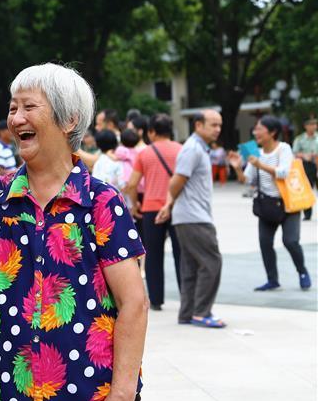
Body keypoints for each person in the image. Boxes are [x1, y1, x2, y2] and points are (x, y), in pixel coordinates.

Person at [0, 64, 147, 401]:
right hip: (14, 398)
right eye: (12, 108)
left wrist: (121, 398)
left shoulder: (101, 200)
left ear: (68, 119)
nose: (16, 119)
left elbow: (134, 304)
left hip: (95, 396)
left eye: (29, 107)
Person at [156, 110, 225, 328]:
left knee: (191, 266)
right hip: (194, 217)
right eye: (213, 124)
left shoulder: (199, 149)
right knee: (212, 262)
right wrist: (169, 204)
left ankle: (187, 313)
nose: (217, 129)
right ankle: (201, 312)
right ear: (198, 125)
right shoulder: (193, 149)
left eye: (219, 125)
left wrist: (170, 206)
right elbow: (177, 180)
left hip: (188, 216)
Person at [227, 117, 312, 291]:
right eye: (255, 129)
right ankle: (272, 279)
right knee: (265, 243)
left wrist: (260, 164)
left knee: (290, 241)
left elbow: (283, 172)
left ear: (272, 132)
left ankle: (302, 271)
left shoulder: (284, 149)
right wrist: (237, 167)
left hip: (288, 204)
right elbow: (247, 180)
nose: (255, 133)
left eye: (259, 129)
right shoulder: (256, 153)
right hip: (267, 205)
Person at [125, 114, 182, 311]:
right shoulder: (181, 150)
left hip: (151, 209)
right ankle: (186, 296)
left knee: (154, 255)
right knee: (181, 254)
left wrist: (134, 204)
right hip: (177, 207)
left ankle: (157, 300)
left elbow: (132, 184)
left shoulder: (145, 153)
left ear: (151, 132)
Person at [292, 116, 317, 220]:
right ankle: (307, 213)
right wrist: (304, 155)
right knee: (307, 188)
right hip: (307, 166)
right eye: (310, 125)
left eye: (314, 124)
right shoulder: (300, 139)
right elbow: (294, 152)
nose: (313, 127)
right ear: (306, 126)